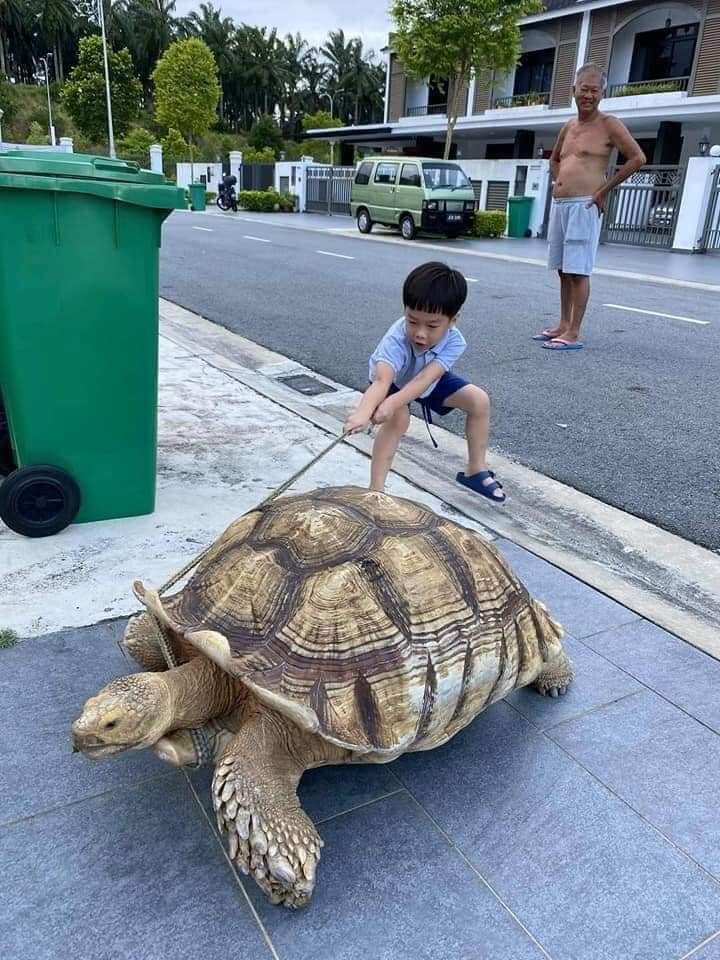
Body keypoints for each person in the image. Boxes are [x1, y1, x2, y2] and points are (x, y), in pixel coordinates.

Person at [344, 261, 505, 502]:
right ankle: (376, 490)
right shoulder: (395, 340)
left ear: (453, 320)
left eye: (432, 326)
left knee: (478, 401)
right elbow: (381, 381)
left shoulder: (455, 341)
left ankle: (475, 469)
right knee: (399, 421)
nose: (420, 333)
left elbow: (426, 378)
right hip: (393, 381)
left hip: (426, 376)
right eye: (412, 321)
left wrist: (390, 404)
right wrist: (363, 413)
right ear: (405, 311)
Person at [535, 63, 646, 351]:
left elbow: (637, 158)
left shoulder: (609, 124)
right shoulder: (569, 126)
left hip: (584, 206)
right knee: (562, 268)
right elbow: (555, 159)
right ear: (574, 90)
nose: (588, 95)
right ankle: (562, 324)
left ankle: (573, 332)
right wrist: (560, 182)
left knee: (578, 270)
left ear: (602, 93)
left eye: (594, 91)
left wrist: (602, 191)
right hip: (561, 204)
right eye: (584, 89)